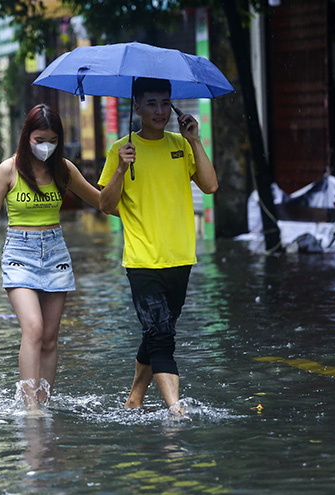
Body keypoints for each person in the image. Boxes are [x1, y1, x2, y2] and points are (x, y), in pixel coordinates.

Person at [0, 104, 102, 411]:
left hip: (55, 252)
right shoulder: (8, 170)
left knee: (51, 337)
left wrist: (122, 173)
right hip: (19, 254)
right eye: (40, 139)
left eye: (53, 140)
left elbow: (101, 200)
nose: (46, 147)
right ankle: (31, 410)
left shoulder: (63, 169)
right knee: (34, 329)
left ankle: (45, 402)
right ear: (27, 136)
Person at [98, 77, 219, 414]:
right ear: (135, 107)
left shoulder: (180, 145)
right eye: (151, 103)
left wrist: (195, 140)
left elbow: (210, 186)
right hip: (142, 261)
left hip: (180, 257)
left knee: (157, 333)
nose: (160, 111)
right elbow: (106, 206)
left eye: (165, 103)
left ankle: (134, 400)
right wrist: (121, 168)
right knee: (162, 336)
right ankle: (175, 410)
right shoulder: (120, 150)